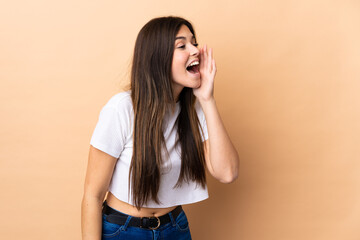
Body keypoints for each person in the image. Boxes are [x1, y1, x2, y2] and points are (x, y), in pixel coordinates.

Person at [81, 16, 239, 240]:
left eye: (194, 42)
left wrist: (208, 99)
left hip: (175, 228)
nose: (195, 50)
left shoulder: (196, 109)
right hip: (123, 231)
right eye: (182, 45)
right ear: (159, 58)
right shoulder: (122, 108)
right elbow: (92, 196)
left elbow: (227, 172)